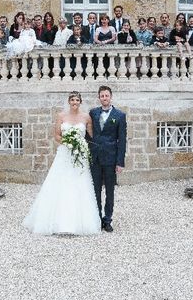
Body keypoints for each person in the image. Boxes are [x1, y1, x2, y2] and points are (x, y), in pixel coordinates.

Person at [23, 91, 101, 235]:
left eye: (77, 100)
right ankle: (56, 222)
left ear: (80, 102)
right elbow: (57, 136)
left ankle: (81, 223)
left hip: (80, 156)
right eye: (72, 100)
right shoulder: (61, 116)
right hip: (65, 154)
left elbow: (92, 136)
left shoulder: (86, 117)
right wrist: (69, 142)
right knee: (60, 182)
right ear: (69, 102)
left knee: (79, 183)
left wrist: (81, 144)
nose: (75, 102)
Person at [89, 86, 127, 232]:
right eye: (102, 96)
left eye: (106, 95)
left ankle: (108, 220)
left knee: (110, 191)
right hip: (96, 158)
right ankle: (97, 218)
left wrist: (120, 162)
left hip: (111, 159)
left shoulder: (120, 115)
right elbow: (88, 133)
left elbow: (122, 140)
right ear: (99, 98)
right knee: (96, 190)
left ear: (111, 97)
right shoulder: (93, 113)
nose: (104, 98)